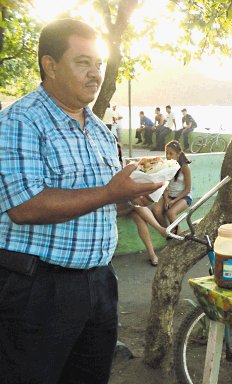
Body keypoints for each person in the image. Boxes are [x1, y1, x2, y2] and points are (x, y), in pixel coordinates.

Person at [0, 18, 162, 383]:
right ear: (50, 65)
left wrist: (130, 195)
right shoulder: (20, 121)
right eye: (83, 62)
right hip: (37, 288)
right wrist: (110, 192)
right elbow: (25, 206)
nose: (95, 74)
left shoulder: (101, 131)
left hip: (99, 282)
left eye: (100, 64)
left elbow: (103, 202)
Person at [116, 143, 167, 266]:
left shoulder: (126, 164)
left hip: (128, 204)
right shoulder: (105, 167)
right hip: (115, 207)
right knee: (136, 204)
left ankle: (152, 254)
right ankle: (160, 229)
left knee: (138, 216)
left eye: (117, 151)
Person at [152, 140, 192, 230]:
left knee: (170, 213)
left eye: (171, 153)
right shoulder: (166, 166)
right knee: (156, 210)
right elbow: (165, 186)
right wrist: (166, 200)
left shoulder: (185, 167)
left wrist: (174, 201)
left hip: (183, 197)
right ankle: (169, 231)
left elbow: (187, 189)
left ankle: (178, 236)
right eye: (166, 153)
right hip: (169, 196)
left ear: (178, 154)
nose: (168, 156)